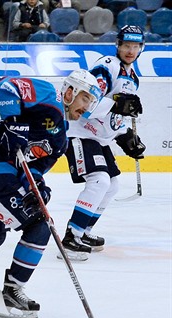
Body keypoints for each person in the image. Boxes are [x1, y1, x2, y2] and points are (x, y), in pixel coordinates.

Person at [0, 70, 102, 318]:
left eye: (91, 103)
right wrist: (13, 123)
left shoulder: (60, 140)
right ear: (71, 92)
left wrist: (39, 189)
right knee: (40, 226)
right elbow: (5, 86)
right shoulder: (47, 95)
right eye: (85, 99)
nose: (86, 108)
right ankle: (13, 290)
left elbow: (33, 172)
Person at [60, 25, 146, 261]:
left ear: (141, 49)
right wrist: (117, 105)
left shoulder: (133, 78)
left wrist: (126, 136)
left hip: (98, 138)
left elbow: (114, 116)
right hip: (80, 132)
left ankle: (84, 230)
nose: (130, 50)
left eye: (135, 46)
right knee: (99, 181)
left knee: (112, 186)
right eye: (126, 45)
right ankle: (71, 237)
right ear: (118, 45)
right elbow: (86, 106)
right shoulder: (108, 65)